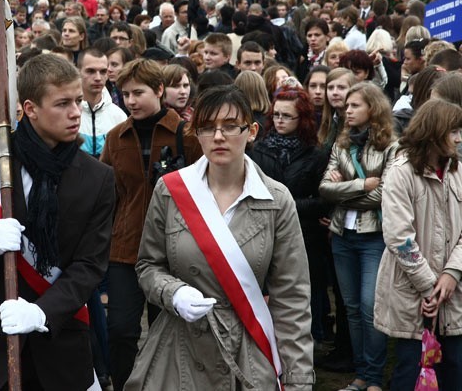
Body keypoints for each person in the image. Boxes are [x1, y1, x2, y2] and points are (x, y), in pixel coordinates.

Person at [0, 54, 116, 390]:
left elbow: (90, 265)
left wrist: (42, 312)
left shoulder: (98, 177)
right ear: (30, 109)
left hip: (60, 342)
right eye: (62, 104)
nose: (75, 112)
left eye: (78, 101)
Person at [124, 85, 314, 390]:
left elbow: (292, 298)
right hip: (179, 348)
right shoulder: (170, 191)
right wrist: (173, 293)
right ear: (196, 133)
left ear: (251, 131)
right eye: (208, 127)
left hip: (247, 350)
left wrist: (298, 381)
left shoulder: (276, 199)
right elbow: (148, 265)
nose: (219, 136)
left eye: (230, 126)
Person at [100, 59, 202, 391]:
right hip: (125, 249)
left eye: (138, 93)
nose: (130, 101)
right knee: (121, 330)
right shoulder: (116, 137)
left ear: (159, 90)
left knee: (167, 331)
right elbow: (107, 194)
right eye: (124, 94)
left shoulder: (187, 135)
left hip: (174, 252)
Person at [374, 99, 462, 390]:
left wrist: (452, 273)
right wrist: (429, 287)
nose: (459, 138)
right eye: (453, 132)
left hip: (455, 296)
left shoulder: (457, 171)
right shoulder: (401, 171)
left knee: (455, 370)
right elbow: (400, 237)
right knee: (412, 371)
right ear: (434, 131)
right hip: (412, 296)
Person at [319, 82, 398, 391]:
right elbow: (324, 188)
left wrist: (344, 190)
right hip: (342, 235)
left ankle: (375, 378)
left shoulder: (392, 145)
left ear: (373, 109)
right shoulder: (341, 144)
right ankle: (362, 374)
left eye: (354, 105)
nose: (347, 110)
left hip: (374, 237)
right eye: (347, 105)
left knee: (369, 307)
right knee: (350, 309)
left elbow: (384, 194)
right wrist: (359, 186)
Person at [250, 87, 332, 343]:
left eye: (287, 116)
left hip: (306, 237)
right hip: (264, 232)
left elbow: (324, 200)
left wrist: (289, 205)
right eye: (276, 115)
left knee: (304, 297)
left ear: (303, 119)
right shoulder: (258, 150)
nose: (280, 121)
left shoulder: (316, 153)